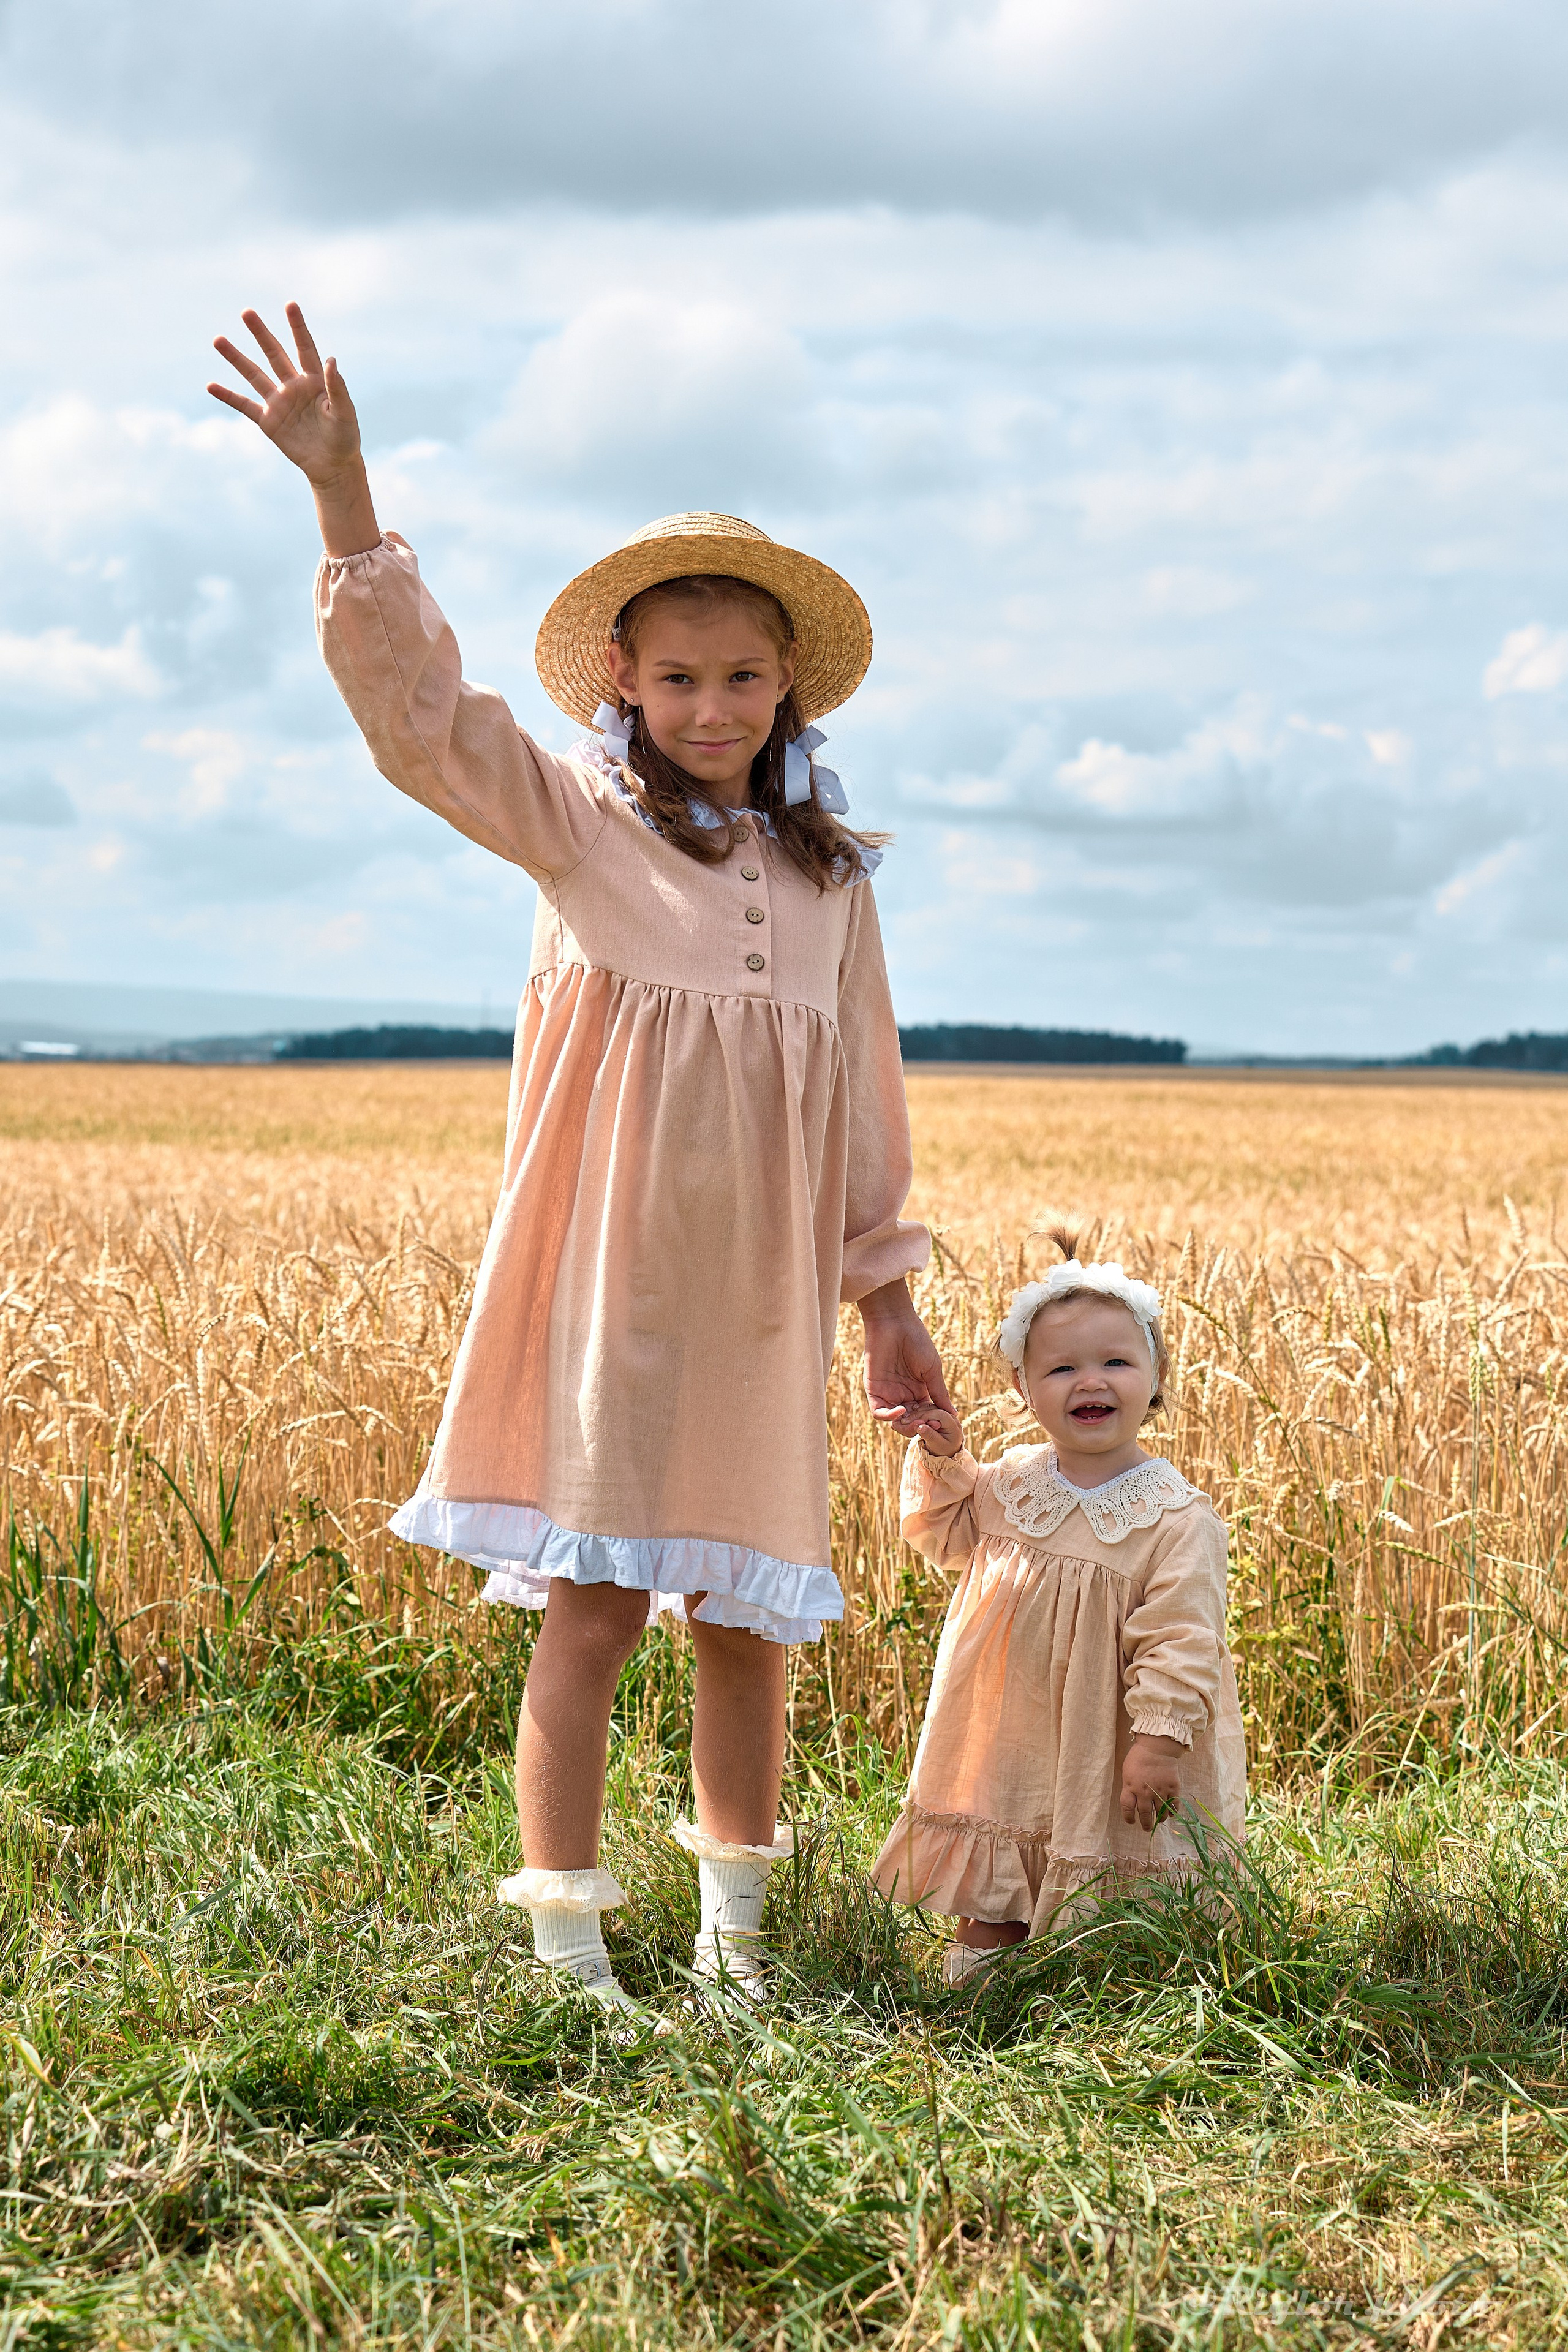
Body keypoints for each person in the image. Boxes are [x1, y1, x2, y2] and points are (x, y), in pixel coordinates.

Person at [208, 303, 949, 2010]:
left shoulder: (834, 885)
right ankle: (563, 1949)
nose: (709, 703)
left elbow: (861, 1112)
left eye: (741, 676)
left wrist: (886, 1305)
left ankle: (739, 1955)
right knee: (598, 1610)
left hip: (763, 1306)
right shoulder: (580, 828)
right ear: (622, 680)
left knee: (752, 1624)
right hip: (612, 1290)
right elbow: (423, 722)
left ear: (788, 689)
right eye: (676, 674)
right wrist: (344, 493)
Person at [870, 1231, 1246, 1985]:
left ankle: (1118, 1988)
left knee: (1116, 1875)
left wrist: (1159, 1744)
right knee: (1002, 1850)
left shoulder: (1174, 1519)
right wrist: (947, 1458)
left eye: (1115, 1362)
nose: (1089, 1381)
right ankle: (981, 1987)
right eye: (1061, 1367)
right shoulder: (1009, 1483)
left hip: (1110, 1747)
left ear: (1154, 1376)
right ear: (1022, 1388)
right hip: (1012, 1735)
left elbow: (1183, 1640)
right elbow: (946, 1537)